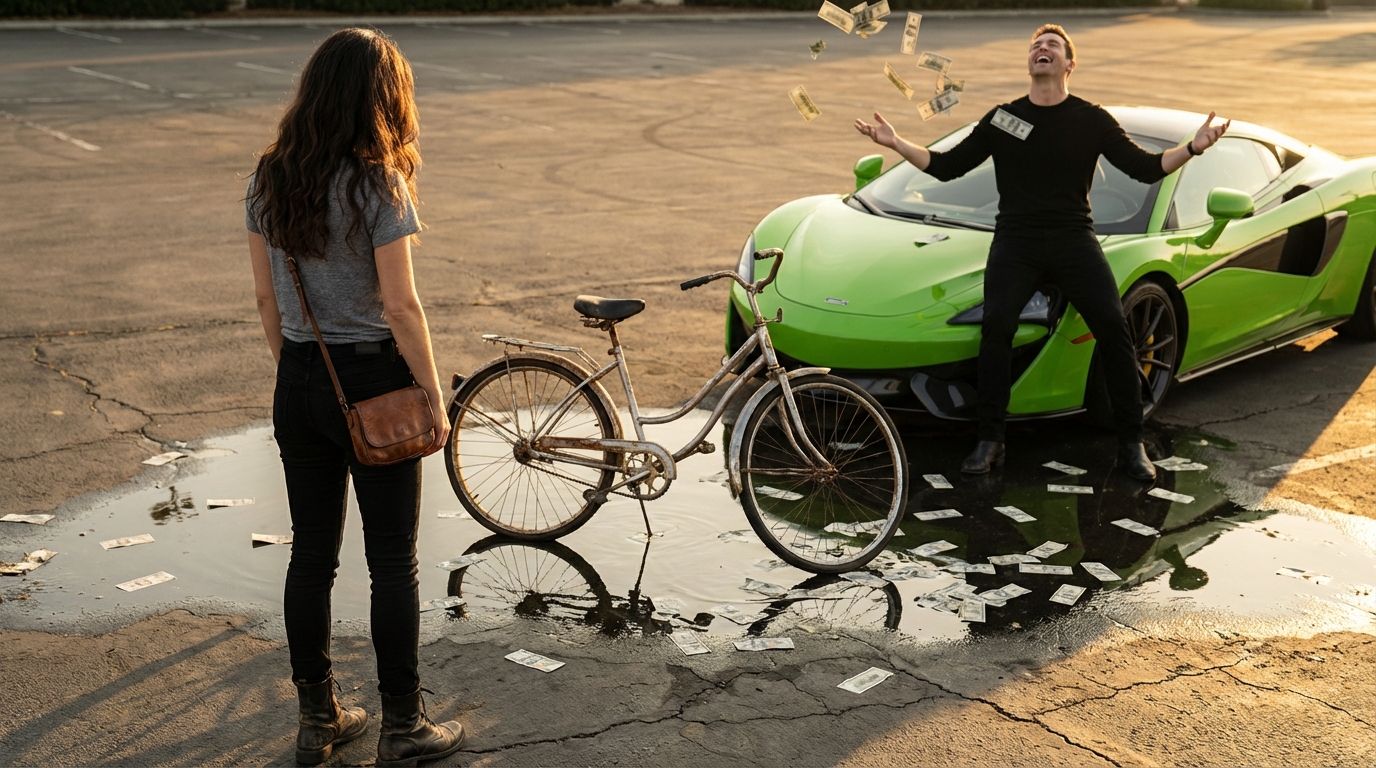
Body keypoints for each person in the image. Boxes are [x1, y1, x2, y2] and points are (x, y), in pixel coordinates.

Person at [855, 24, 1229, 481]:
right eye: (1035, 46)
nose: (1041, 50)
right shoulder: (1004, 119)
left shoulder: (1091, 119)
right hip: (1016, 240)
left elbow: (1146, 169)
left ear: (1070, 64)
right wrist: (896, 142)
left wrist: (1193, 147)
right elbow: (949, 167)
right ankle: (990, 441)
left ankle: (1132, 445)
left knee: (1114, 330)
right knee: (996, 331)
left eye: (1052, 45)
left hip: (1074, 238)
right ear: (1029, 64)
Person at [245, 28, 463, 767]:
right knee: (391, 560)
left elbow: (267, 304)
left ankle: (318, 719)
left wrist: (300, 375)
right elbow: (401, 308)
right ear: (383, 98)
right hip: (373, 380)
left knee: (310, 557)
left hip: (300, 377)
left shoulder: (271, 176)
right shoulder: (379, 183)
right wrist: (433, 394)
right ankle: (404, 725)